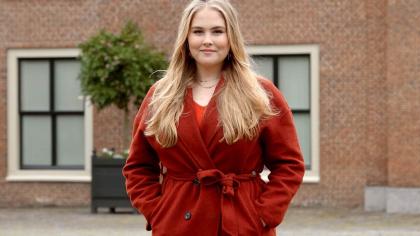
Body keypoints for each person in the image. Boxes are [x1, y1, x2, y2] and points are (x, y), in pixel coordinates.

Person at [122, 0, 305, 235]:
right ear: (186, 38)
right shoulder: (161, 95)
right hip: (177, 224)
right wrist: (158, 212)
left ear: (231, 38)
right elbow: (138, 166)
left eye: (217, 31)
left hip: (241, 223)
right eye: (198, 31)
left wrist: (263, 214)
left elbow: (289, 165)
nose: (207, 40)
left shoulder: (260, 94)